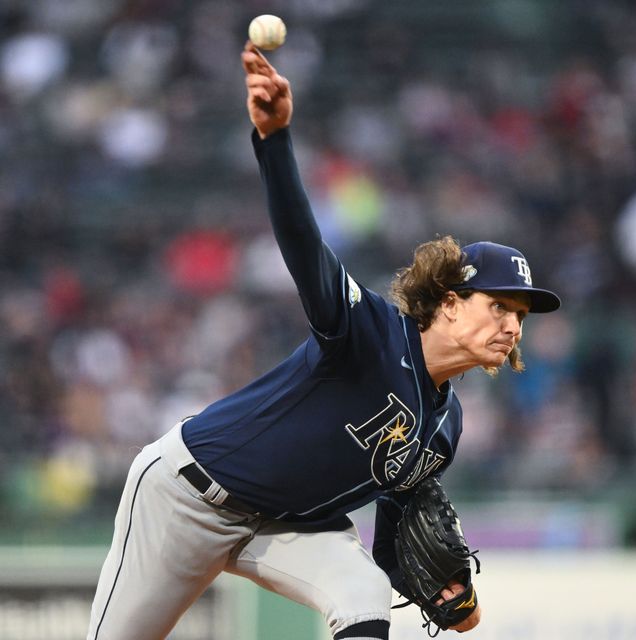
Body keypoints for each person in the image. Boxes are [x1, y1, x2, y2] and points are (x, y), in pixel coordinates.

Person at [86, 41, 561, 640]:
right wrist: (274, 140)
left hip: (290, 526)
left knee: (362, 590)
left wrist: (450, 591)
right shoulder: (368, 334)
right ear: (447, 303)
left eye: (522, 314)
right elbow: (304, 246)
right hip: (188, 498)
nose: (514, 326)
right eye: (500, 306)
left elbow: (391, 548)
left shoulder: (446, 427)